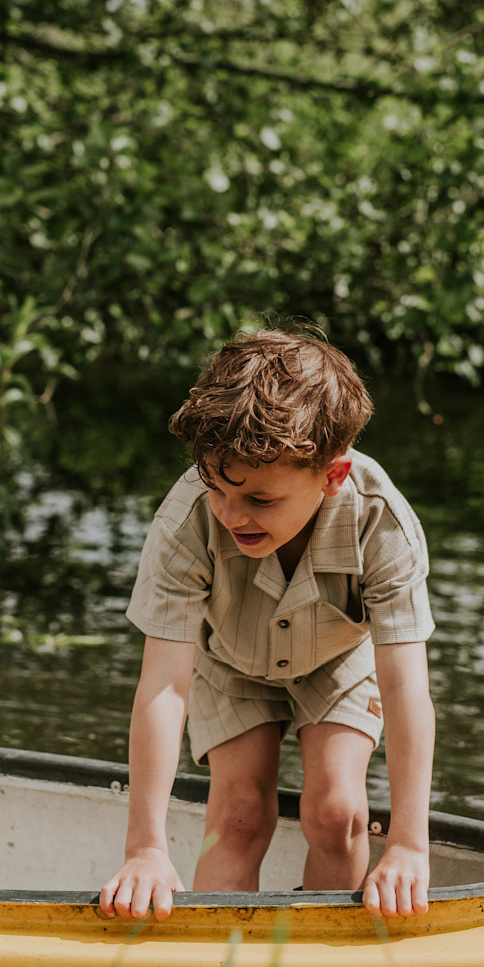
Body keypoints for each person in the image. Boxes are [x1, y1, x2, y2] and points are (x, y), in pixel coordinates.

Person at [100, 329, 434, 921]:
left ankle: (317, 965)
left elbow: (407, 685)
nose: (232, 515)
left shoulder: (383, 525)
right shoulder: (185, 523)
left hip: (337, 658)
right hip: (227, 658)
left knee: (337, 812)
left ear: (331, 476)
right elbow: (163, 686)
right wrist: (145, 849)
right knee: (239, 814)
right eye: (218, 489)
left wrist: (408, 844)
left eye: (259, 499)